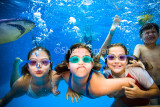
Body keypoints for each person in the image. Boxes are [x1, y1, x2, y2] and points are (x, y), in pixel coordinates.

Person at [0, 47, 79, 106]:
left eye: (44, 62)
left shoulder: (55, 76)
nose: (38, 66)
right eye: (33, 62)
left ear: (50, 65)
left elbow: (73, 74)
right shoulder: (22, 83)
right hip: (26, 89)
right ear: (28, 67)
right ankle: (16, 65)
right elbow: (4, 101)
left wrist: (71, 88)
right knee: (13, 87)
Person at [55, 43, 135, 99]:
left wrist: (142, 93)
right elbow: (54, 76)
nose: (80, 62)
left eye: (85, 59)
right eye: (75, 59)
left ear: (92, 64)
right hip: (91, 67)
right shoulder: (65, 75)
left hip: (104, 76)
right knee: (98, 56)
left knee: (111, 95)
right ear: (68, 65)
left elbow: (130, 81)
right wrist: (70, 87)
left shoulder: (97, 87)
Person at [133, 23, 160, 104]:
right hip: (149, 86)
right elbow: (134, 57)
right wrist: (136, 61)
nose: (150, 34)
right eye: (147, 33)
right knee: (154, 103)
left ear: (158, 35)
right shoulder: (140, 47)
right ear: (141, 37)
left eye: (153, 32)